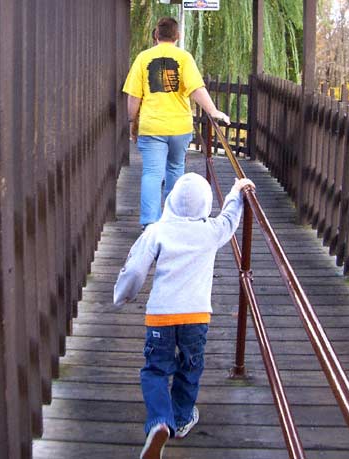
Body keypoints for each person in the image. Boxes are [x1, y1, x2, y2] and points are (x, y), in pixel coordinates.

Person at [113, 172, 255, 459]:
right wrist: (236, 191)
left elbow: (137, 268)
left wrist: (123, 295)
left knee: (155, 370)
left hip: (160, 317)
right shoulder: (211, 230)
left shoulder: (157, 231)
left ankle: (159, 422)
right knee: (190, 368)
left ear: (172, 200)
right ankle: (180, 418)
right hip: (196, 316)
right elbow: (229, 220)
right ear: (205, 205)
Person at [123, 17, 230, 230]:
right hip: (179, 127)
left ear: (156, 35)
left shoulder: (143, 58)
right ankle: (172, 219)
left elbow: (134, 97)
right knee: (175, 169)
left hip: (152, 126)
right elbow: (196, 89)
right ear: (177, 36)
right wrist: (213, 110)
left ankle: (150, 224)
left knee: (152, 173)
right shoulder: (184, 58)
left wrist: (132, 121)